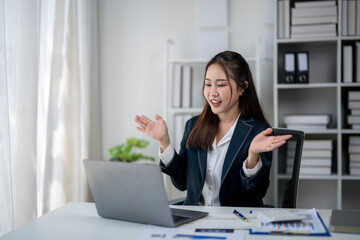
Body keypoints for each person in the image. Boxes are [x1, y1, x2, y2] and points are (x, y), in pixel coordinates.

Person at [134, 51, 291, 207]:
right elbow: (182, 182)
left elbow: (256, 193)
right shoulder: (194, 126)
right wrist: (164, 142)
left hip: (235, 221)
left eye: (221, 85)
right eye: (208, 84)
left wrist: (252, 156)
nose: (212, 93)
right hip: (196, 218)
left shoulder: (258, 131)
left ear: (242, 88)